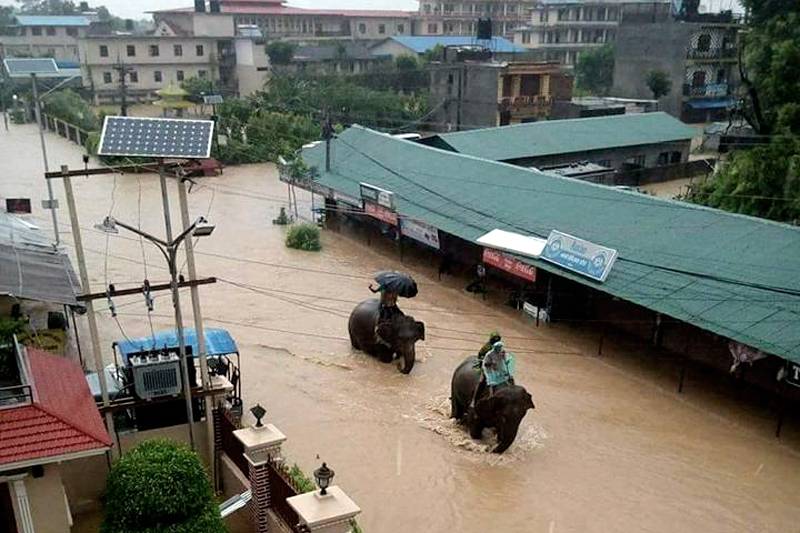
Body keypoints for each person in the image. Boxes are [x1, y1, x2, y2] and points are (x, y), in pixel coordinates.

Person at [471, 340, 515, 407]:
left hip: (498, 369)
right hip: (489, 370)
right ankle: (475, 400)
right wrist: (492, 363)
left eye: (500, 347)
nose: (499, 349)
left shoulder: (502, 353)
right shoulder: (489, 354)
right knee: (486, 382)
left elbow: (505, 361)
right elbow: (485, 364)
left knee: (510, 379)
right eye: (498, 347)